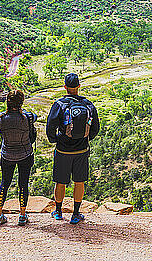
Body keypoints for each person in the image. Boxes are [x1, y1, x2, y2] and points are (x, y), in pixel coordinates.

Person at [46, 73, 100, 224]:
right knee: (79, 182)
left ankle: (58, 211)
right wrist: (85, 139)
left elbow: (50, 126)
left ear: (65, 87)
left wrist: (55, 140)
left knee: (60, 182)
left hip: (63, 149)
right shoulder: (88, 104)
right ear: (78, 86)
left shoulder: (59, 104)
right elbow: (95, 128)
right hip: (82, 150)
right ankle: (76, 214)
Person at [0, 90, 37, 227]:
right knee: (23, 184)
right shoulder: (28, 117)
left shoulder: (0, 118)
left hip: (7, 154)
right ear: (21, 102)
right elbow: (34, 116)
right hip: (25, 154)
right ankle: (22, 215)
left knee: (4, 183)